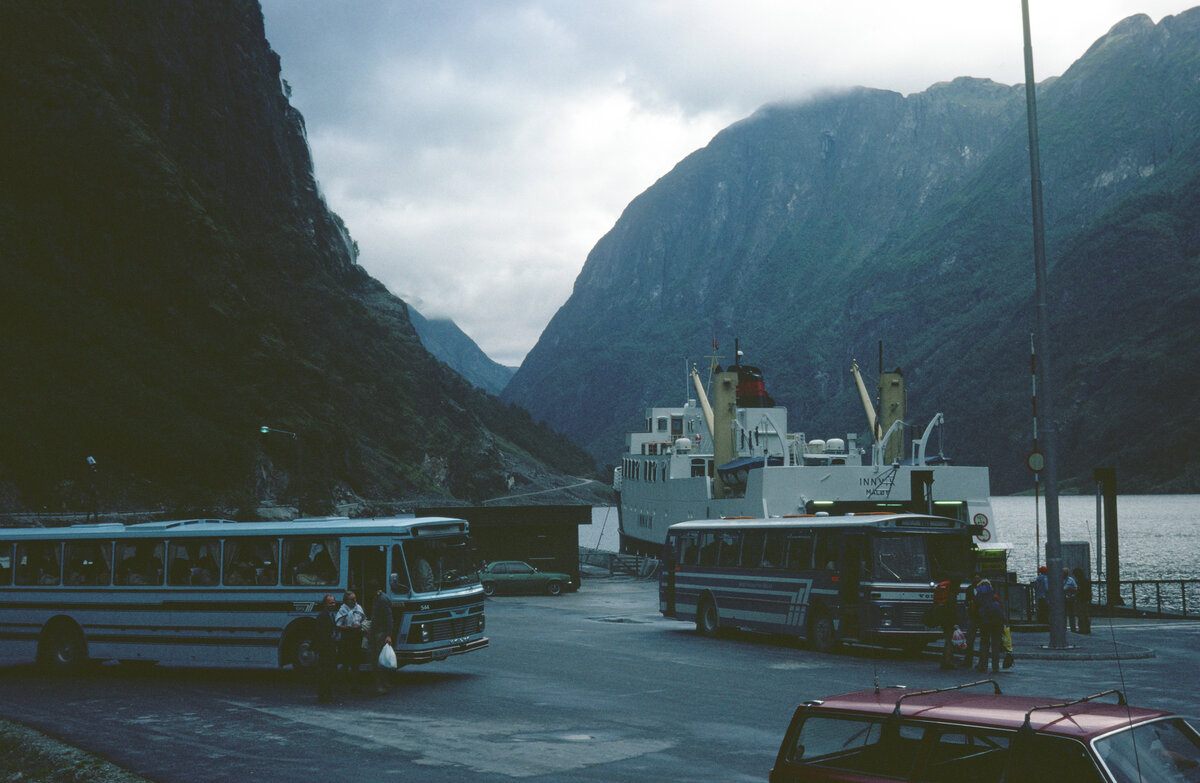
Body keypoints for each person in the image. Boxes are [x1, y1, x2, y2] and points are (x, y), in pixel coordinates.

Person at [335, 590, 365, 688]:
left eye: (355, 599)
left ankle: (354, 685)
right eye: (352, 599)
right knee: (346, 662)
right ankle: (341, 684)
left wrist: (360, 625)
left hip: (357, 637)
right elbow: (338, 625)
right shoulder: (343, 610)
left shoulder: (358, 608)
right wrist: (350, 628)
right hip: (347, 638)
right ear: (346, 601)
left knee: (356, 663)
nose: (354, 601)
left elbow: (363, 620)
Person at [974, 579, 1005, 674]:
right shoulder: (994, 596)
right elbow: (1001, 609)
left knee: (984, 644)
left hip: (984, 623)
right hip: (996, 623)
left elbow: (974, 610)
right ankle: (995, 667)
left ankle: (983, 665)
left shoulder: (978, 597)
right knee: (995, 645)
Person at [314, 594, 339, 704]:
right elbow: (320, 634)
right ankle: (323, 695)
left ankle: (327, 694)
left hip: (330, 647)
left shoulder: (330, 615)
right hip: (325, 648)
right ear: (325, 604)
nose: (333, 605)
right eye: (330, 603)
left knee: (329, 672)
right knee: (324, 672)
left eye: (333, 602)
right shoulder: (322, 616)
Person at [370, 585, 394, 695]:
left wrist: (388, 635)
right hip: (379, 632)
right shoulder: (381, 597)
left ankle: (379, 685)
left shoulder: (381, 599)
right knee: (381, 659)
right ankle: (384, 682)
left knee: (377, 659)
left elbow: (389, 618)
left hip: (380, 633)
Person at [960, 572, 983, 668]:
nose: (976, 578)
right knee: (973, 639)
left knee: (971, 638)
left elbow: (966, 603)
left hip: (976, 616)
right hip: (978, 616)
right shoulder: (982, 588)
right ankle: (975, 660)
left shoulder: (971, 589)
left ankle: (970, 660)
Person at [1073, 567, 1092, 634]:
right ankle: (1087, 628)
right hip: (1086, 599)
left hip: (1081, 599)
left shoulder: (1080, 581)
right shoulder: (1086, 580)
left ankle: (1082, 629)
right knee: (1086, 614)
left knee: (1081, 614)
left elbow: (1080, 590)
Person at [1063, 567, 1079, 632]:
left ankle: (1073, 628)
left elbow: (1076, 588)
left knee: (1071, 614)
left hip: (1069, 598)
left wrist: (1071, 588)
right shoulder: (1058, 580)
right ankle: (1063, 627)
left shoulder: (1071, 580)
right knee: (1062, 614)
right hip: (1062, 598)